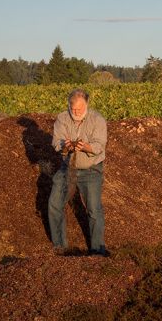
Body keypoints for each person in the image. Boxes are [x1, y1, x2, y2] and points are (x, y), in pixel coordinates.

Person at [48, 88, 108, 256]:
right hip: (68, 167)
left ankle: (97, 250)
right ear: (68, 105)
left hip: (91, 169)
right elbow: (56, 142)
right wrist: (65, 146)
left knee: (94, 210)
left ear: (86, 105)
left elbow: (98, 146)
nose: (76, 112)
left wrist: (85, 146)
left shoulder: (97, 120)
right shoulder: (62, 118)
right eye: (73, 109)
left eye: (79, 109)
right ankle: (60, 246)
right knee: (54, 204)